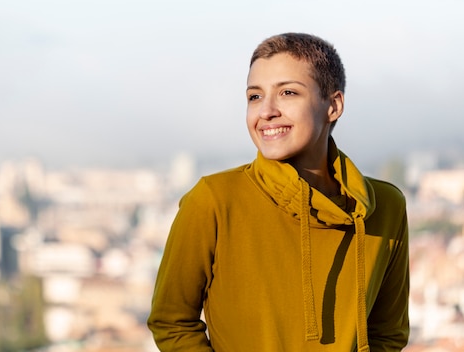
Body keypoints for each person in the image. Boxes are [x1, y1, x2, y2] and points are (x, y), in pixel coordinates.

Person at [147, 32, 409, 351]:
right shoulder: (213, 199)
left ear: (333, 105)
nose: (266, 111)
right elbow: (171, 322)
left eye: (288, 92)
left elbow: (388, 332)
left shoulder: (384, 207)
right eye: (254, 96)